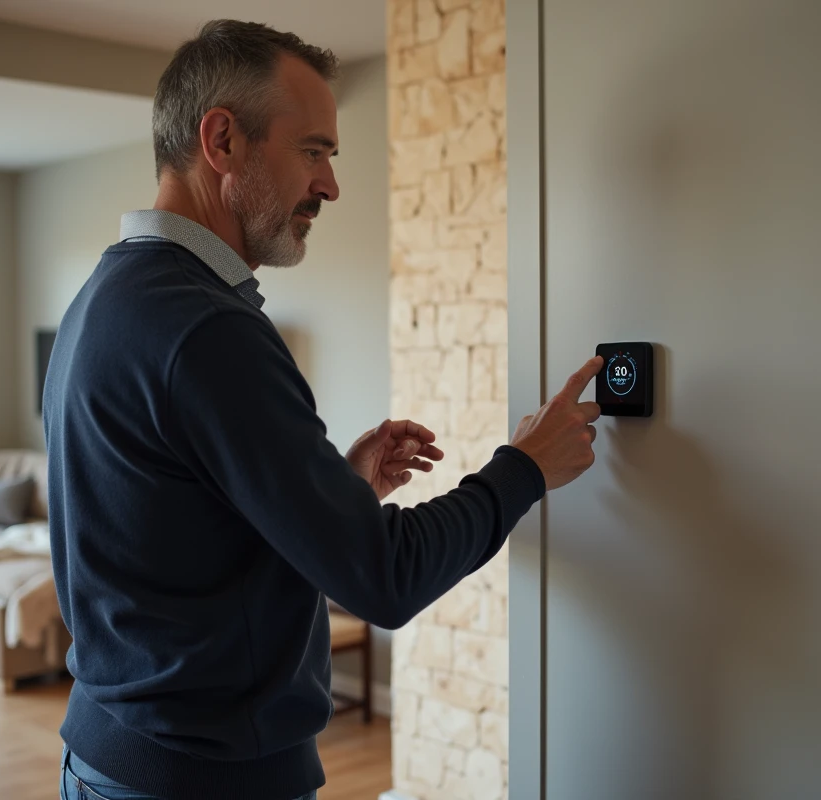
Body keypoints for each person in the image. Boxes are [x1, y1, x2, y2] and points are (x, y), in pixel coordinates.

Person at [44, 19, 603, 800]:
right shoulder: (209, 329)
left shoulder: (106, 299)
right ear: (222, 140)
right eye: (314, 151)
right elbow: (384, 580)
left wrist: (329, 493)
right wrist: (525, 469)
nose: (331, 185)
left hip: (112, 761)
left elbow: (171, 528)